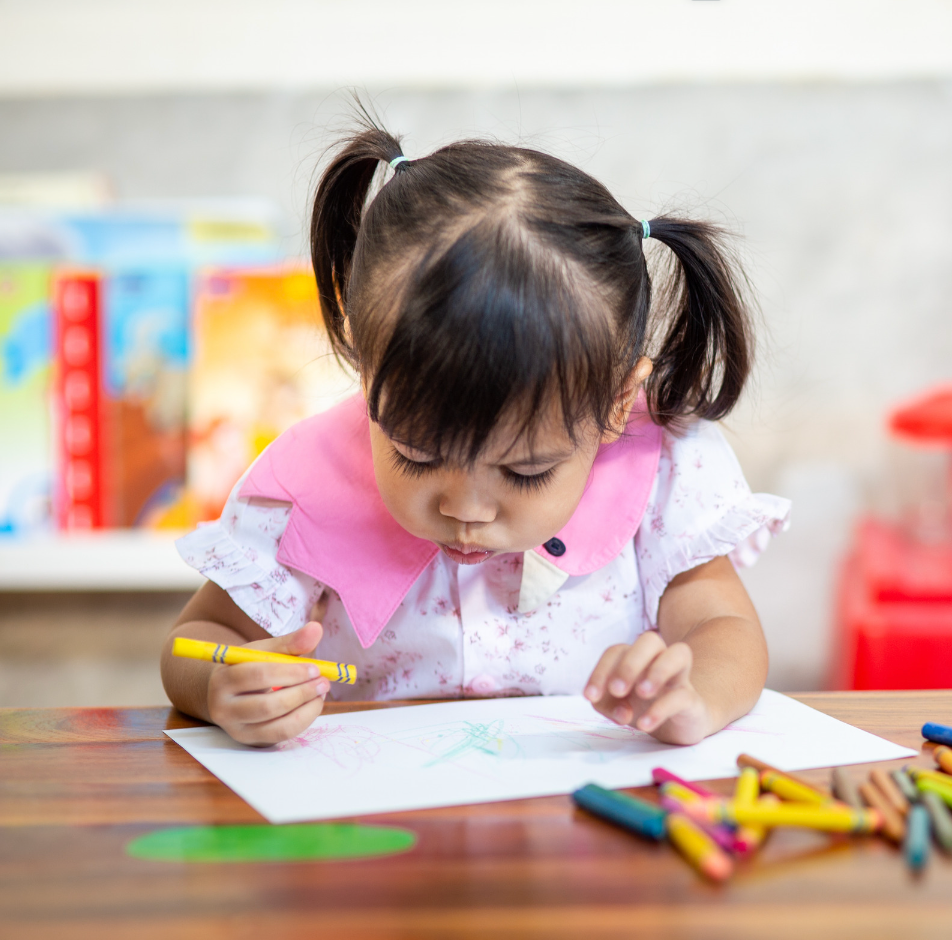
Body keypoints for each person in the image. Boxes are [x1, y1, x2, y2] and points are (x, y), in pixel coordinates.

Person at [161, 121, 788, 748]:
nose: (464, 509)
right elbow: (196, 644)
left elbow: (723, 626)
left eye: (525, 471)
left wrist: (694, 695)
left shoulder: (660, 471)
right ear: (365, 361)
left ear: (618, 402)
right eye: (415, 455)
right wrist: (223, 687)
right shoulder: (310, 486)